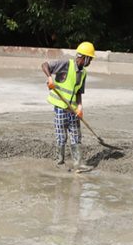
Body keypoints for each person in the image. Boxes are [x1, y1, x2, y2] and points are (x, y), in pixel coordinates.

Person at [41, 41, 96, 172]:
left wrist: (80, 107)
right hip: (61, 108)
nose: (90, 62)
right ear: (84, 57)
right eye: (90, 59)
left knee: (76, 135)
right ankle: (60, 163)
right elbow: (45, 65)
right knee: (61, 136)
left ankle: (78, 165)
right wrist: (50, 78)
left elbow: (78, 91)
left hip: (73, 110)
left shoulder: (83, 73)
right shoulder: (66, 65)